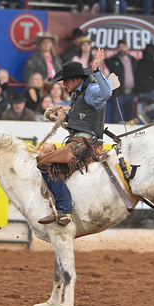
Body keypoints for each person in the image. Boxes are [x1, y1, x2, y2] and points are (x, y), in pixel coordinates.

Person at [36, 49, 111, 226]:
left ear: (76, 79)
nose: (63, 85)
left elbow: (107, 93)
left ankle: (64, 210)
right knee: (47, 152)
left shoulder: (92, 90)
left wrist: (97, 71)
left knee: (44, 161)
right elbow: (83, 114)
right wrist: (67, 115)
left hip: (86, 142)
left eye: (65, 81)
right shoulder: (78, 92)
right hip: (79, 140)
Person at [104, 39, 137, 123]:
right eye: (120, 47)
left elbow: (137, 75)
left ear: (127, 48)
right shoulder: (112, 61)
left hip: (131, 92)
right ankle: (113, 135)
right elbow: (108, 76)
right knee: (115, 117)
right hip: (118, 93)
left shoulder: (133, 60)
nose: (122, 49)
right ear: (117, 49)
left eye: (124, 46)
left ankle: (130, 135)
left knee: (130, 119)